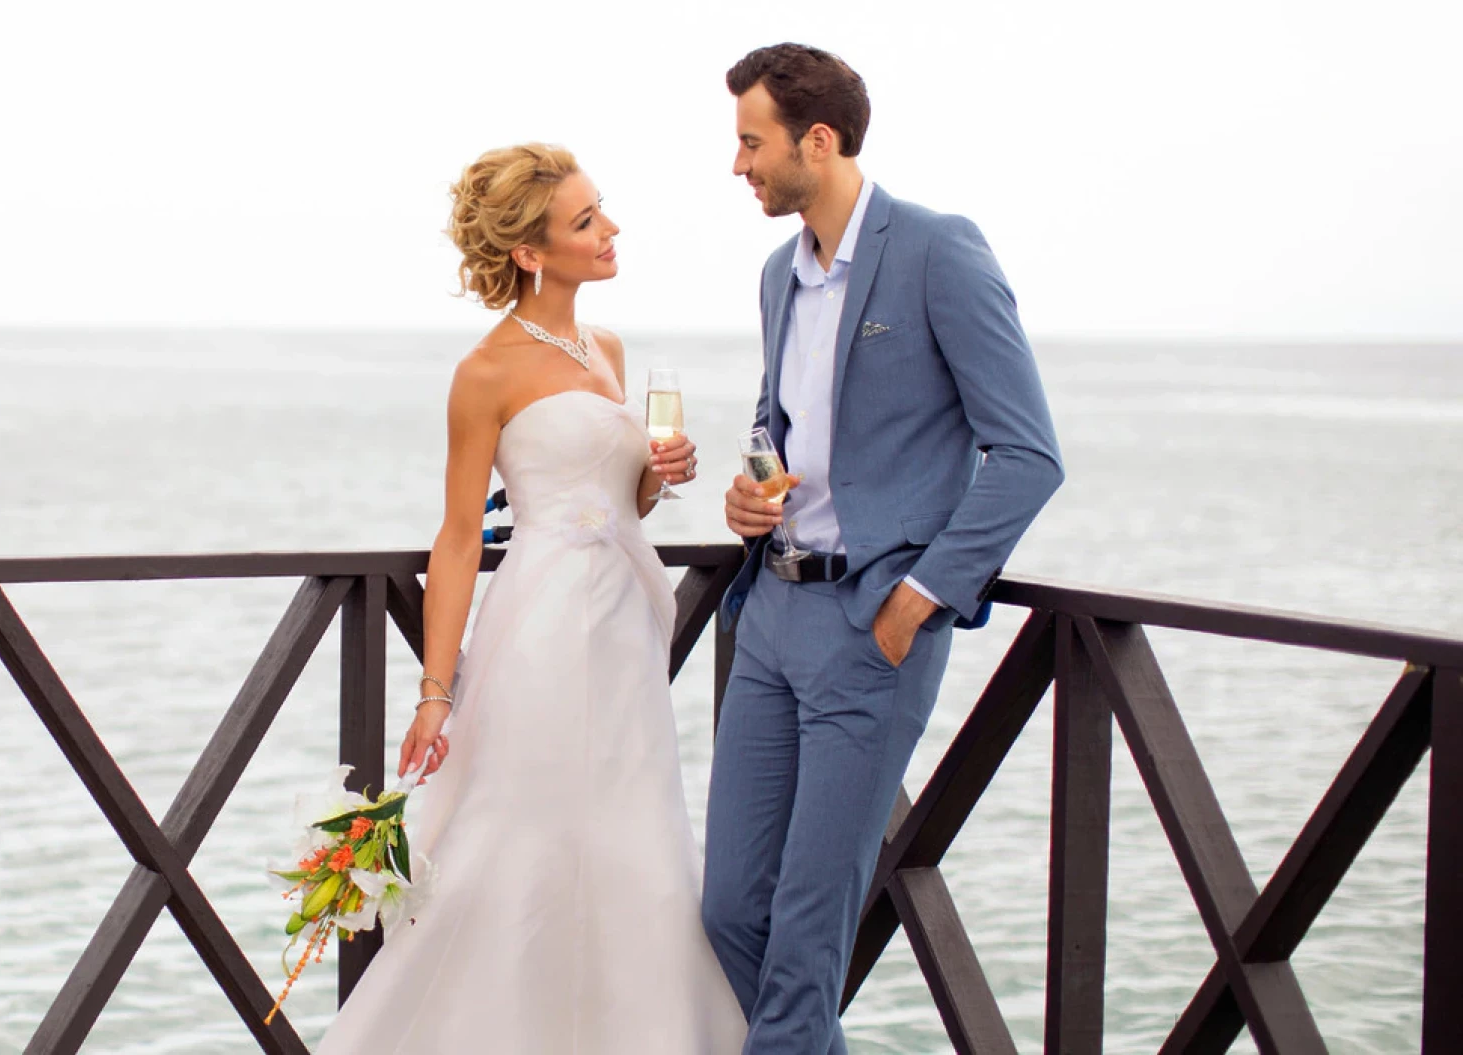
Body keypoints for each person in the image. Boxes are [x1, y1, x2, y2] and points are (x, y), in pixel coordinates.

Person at [314, 143, 748, 1053]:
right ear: (530, 252)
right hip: (544, 625)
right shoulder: (486, 372)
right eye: (587, 220)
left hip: (627, 624)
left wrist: (663, 474)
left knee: (635, 843)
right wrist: (437, 693)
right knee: (524, 839)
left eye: (603, 211)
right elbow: (462, 536)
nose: (611, 229)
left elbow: (621, 495)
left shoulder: (610, 347)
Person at [703, 44, 1065, 1053]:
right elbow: (785, 427)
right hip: (770, 613)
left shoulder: (938, 251)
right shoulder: (780, 274)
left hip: (871, 625)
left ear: (816, 141)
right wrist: (749, 492)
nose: (737, 165)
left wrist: (920, 596)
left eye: (750, 142)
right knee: (729, 907)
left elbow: (1027, 454)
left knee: (808, 934)